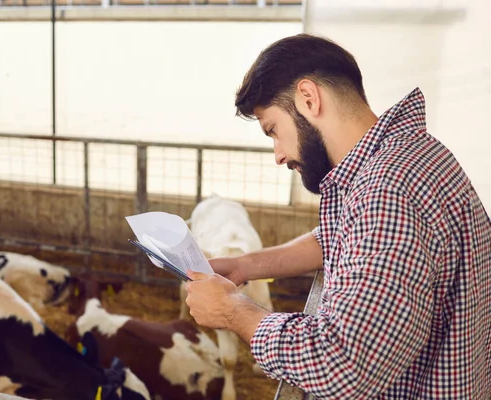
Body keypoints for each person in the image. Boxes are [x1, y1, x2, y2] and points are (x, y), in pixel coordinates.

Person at [184, 33, 491, 399]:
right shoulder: (409, 155)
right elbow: (342, 236)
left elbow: (342, 362)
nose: (278, 154)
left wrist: (234, 312)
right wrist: (247, 265)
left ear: (309, 99)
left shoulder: (386, 190)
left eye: (274, 131)